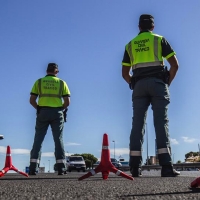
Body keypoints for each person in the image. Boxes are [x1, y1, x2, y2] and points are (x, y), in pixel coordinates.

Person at [122, 14, 180, 177]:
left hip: (139, 86)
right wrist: (167, 82)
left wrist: (132, 83)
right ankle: (166, 167)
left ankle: (134, 167)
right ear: (152, 27)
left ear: (139, 27)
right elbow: (175, 64)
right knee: (161, 122)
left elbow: (125, 72)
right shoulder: (159, 39)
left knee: (137, 124)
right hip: (158, 84)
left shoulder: (130, 45)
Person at [29, 63, 70, 175]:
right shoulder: (62, 83)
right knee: (58, 139)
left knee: (38, 139)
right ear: (57, 71)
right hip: (57, 112)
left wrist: (39, 109)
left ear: (47, 71)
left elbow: (32, 100)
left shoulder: (39, 82)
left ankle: (33, 168)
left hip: (42, 112)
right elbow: (67, 102)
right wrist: (61, 109)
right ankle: (61, 168)